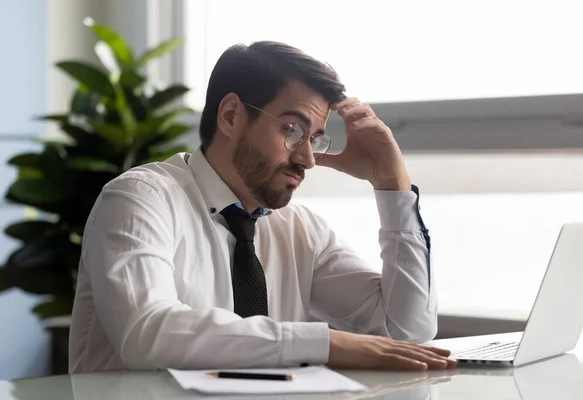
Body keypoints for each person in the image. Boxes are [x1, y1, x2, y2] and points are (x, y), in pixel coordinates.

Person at [69, 41, 456, 374]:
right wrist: (324, 344)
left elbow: (407, 331)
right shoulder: (139, 198)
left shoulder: (300, 230)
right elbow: (146, 331)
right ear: (231, 115)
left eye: (315, 139)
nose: (307, 159)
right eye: (292, 130)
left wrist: (391, 184)